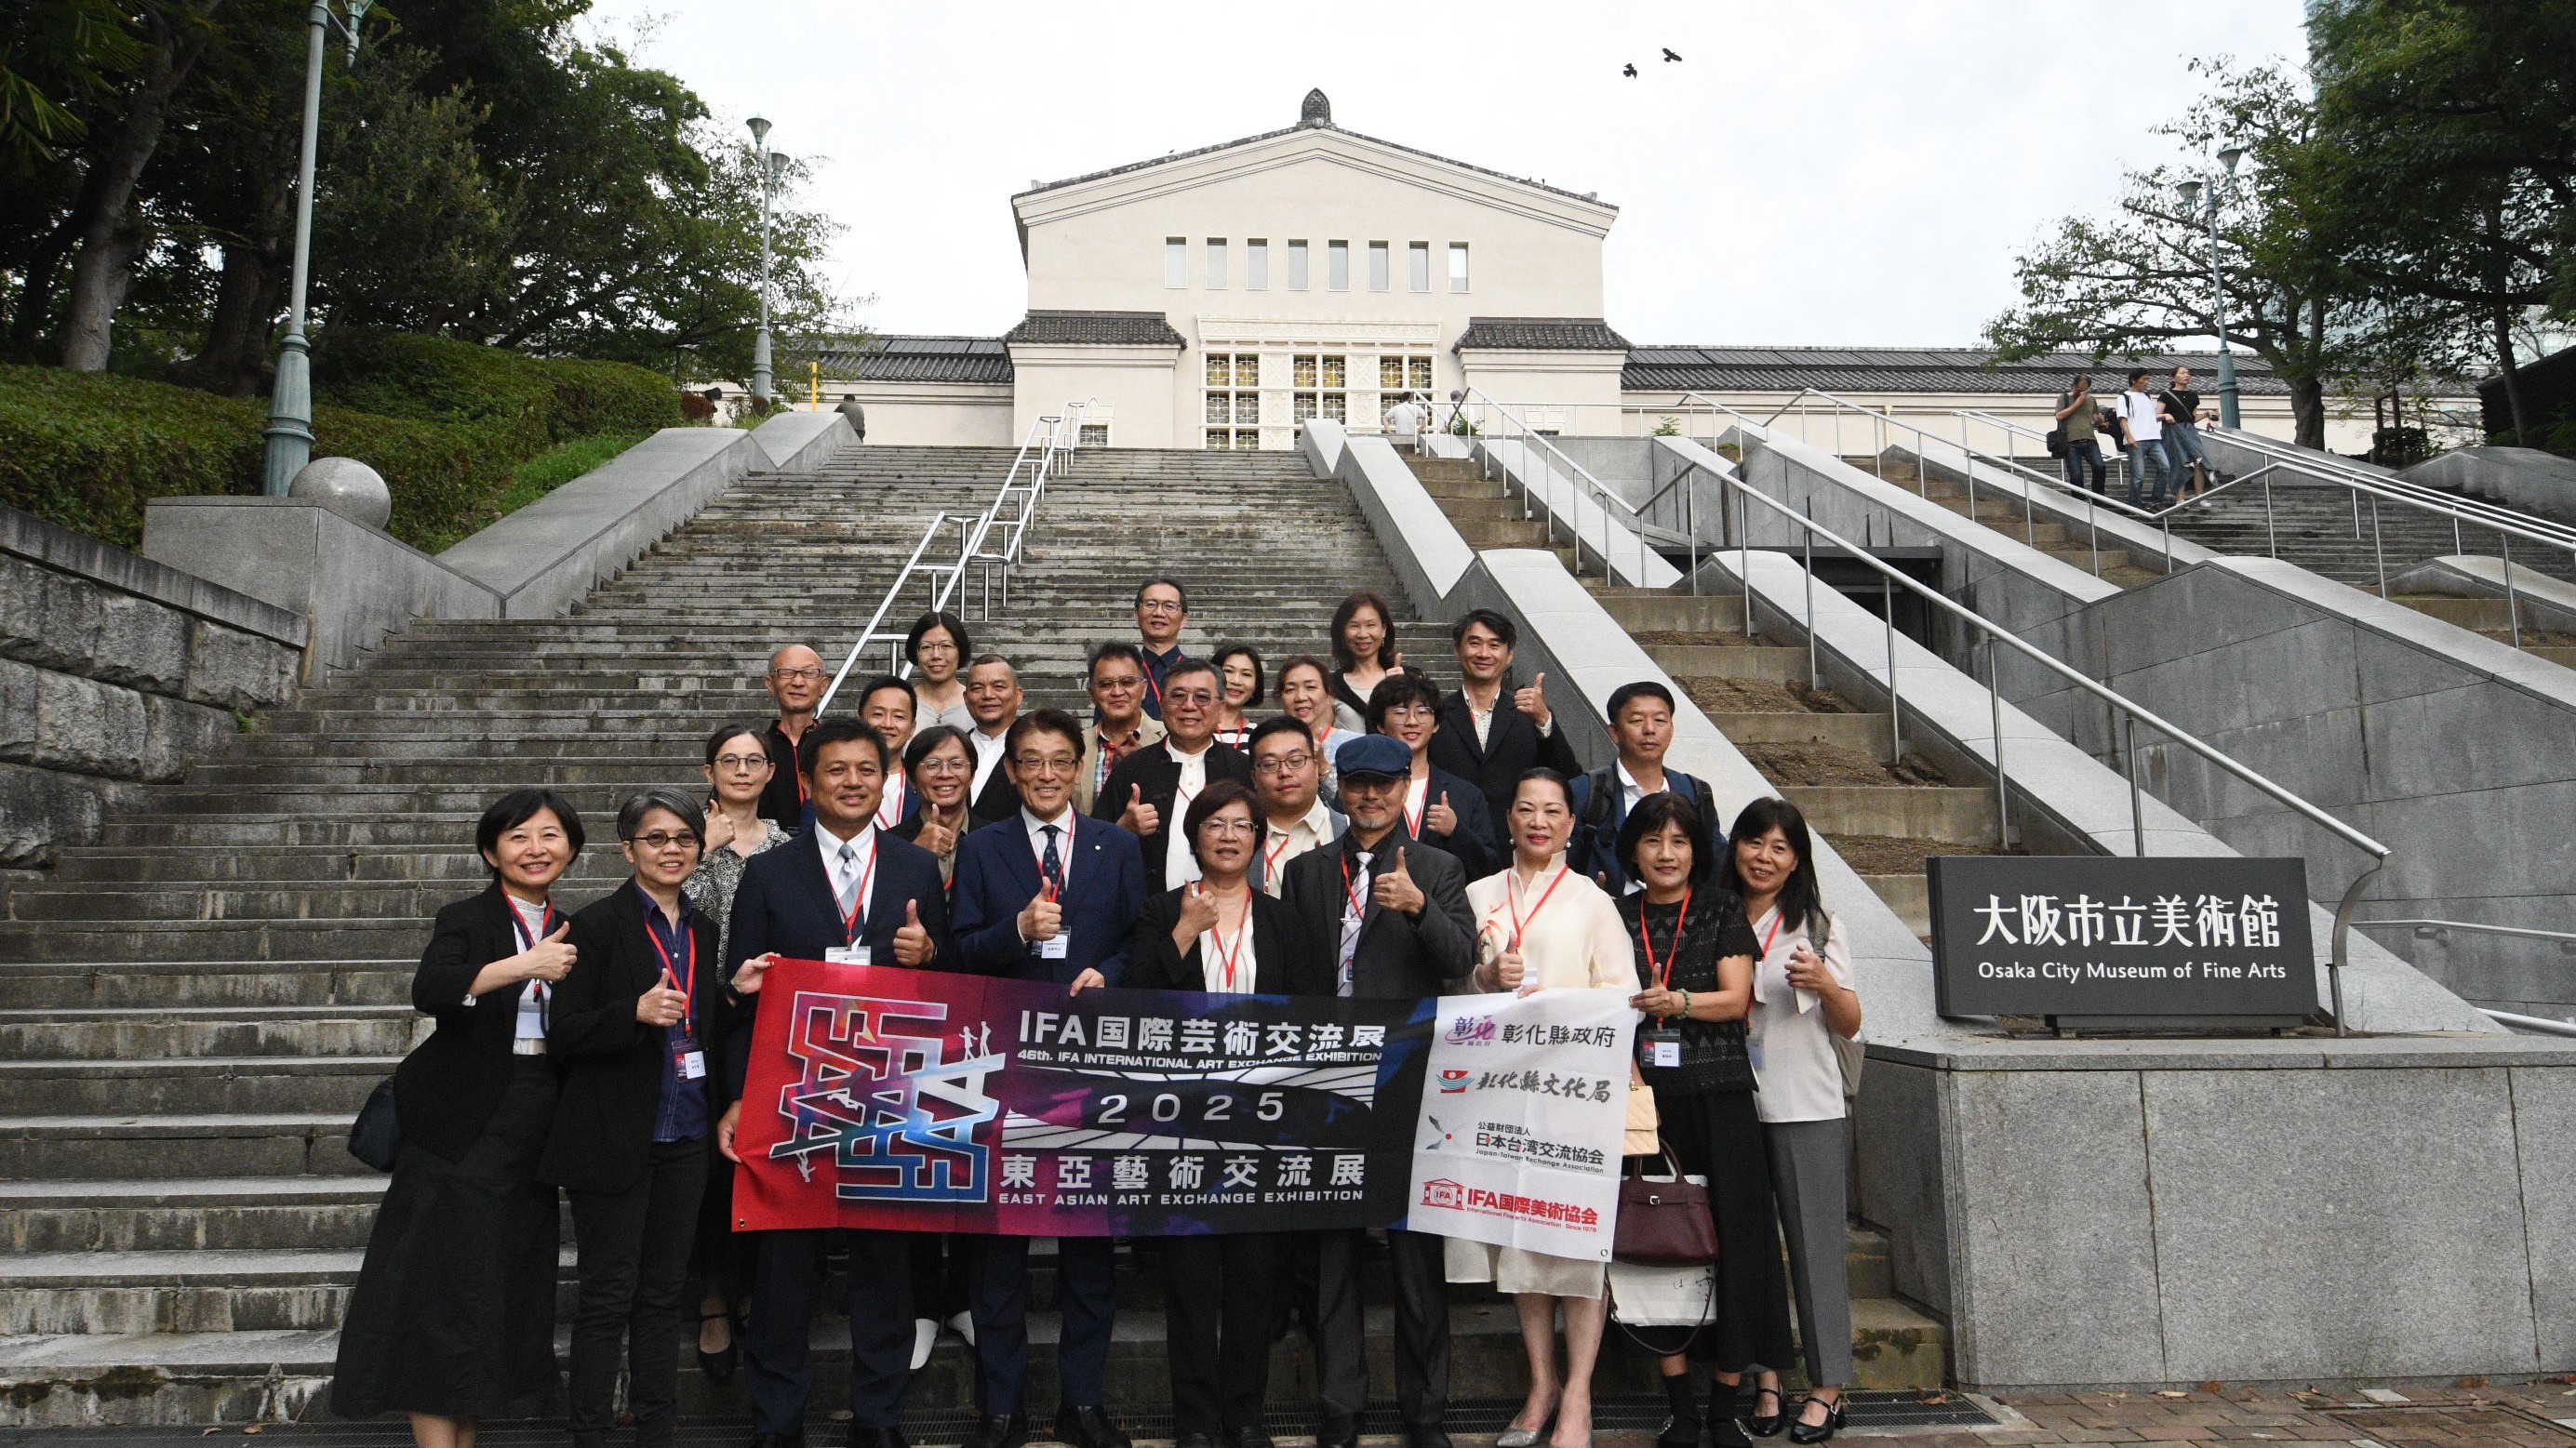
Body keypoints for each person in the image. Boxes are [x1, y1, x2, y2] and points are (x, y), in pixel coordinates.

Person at [716, 717, 954, 1448]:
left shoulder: (915, 867)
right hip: (792, 1094)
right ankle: (776, 1423)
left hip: (889, 1093)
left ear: (885, 780)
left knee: (884, 1267)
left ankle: (878, 1419)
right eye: (835, 770)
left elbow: (944, 989)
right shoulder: (768, 872)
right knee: (784, 1271)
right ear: (807, 781)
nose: (852, 782)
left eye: (865, 769)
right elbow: (741, 994)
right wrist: (739, 1093)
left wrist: (928, 954)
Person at [331, 790, 583, 1444]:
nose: (536, 849)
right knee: (438, 1291)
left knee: (491, 1292)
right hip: (461, 1125)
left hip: (535, 1123)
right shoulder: (467, 917)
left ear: (571, 848)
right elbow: (432, 988)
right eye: (519, 837)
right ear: (491, 852)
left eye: (550, 835)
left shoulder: (574, 926)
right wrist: (522, 965)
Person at [951, 708, 1149, 1448]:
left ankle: (1083, 1401)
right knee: (997, 1248)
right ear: (1009, 770)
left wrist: (1111, 974)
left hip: (1091, 1063)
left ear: (1078, 768)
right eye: (1030, 760)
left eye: (1059, 759)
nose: (1044, 773)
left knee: (1088, 1244)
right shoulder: (982, 847)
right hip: (1003, 1065)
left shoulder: (1115, 846)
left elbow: (1137, 936)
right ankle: (1000, 1405)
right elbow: (960, 950)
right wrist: (1015, 932)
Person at [1278, 734, 1475, 1448]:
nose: (1369, 796)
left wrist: (1419, 907)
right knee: (1333, 1250)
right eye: (1358, 783)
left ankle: (1424, 1411)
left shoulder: (1437, 867)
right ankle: (1340, 1405)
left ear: (1402, 788)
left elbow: (1462, 957)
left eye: (1383, 784)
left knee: (1414, 1253)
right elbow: (1290, 973)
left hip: (1408, 1081)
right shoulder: (1304, 870)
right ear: (1339, 785)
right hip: (1327, 1080)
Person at [1450, 770, 1633, 1448]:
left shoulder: (1592, 901)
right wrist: (1482, 978)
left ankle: (1578, 1393)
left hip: (1572, 1094)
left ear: (1569, 823)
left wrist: (1554, 1008)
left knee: (1577, 1246)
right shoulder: (1476, 895)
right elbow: (1451, 992)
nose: (1538, 821)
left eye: (1552, 811)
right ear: (1507, 818)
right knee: (1521, 1245)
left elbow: (1622, 995)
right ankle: (1540, 1384)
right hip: (1499, 1096)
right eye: (1525, 808)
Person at [1124, 781, 1301, 1448]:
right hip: (1182, 1123)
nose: (1228, 836)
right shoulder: (1161, 909)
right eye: (1215, 824)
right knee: (1191, 1281)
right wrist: (1184, 931)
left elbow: (1310, 1015)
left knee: (1255, 1278)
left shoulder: (1283, 919)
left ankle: (1246, 1415)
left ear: (1257, 839)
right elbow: (1135, 999)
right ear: (1194, 836)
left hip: (1262, 1122)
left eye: (1241, 825)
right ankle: (1195, 1420)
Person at [1614, 793, 1793, 1448]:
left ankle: (1723, 1405)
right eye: (1652, 841)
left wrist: (1678, 1001)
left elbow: (1736, 998)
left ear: (1696, 851)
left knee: (1738, 1242)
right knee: (1656, 1243)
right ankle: (1681, 1408)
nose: (1666, 854)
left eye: (1679, 842)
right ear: (1633, 851)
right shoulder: (1615, 915)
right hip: (1646, 1105)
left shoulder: (1719, 909)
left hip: (1720, 1097)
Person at [544, 790, 721, 1448]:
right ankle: (588, 1433)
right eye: (656, 838)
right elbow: (563, 1031)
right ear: (627, 849)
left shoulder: (703, 929)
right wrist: (632, 1013)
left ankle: (656, 1429)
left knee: (663, 1295)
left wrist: (734, 993)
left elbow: (700, 1020)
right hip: (615, 1136)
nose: (671, 849)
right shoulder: (594, 926)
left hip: (687, 1132)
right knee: (606, 1297)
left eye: (684, 838)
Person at [1715, 797, 1863, 1445]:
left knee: (1815, 1250)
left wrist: (1825, 983)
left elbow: (1850, 1022)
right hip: (1732, 1105)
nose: (1764, 857)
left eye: (1779, 847)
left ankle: (1827, 1387)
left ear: (1796, 859)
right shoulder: (1713, 914)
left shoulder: (1817, 925)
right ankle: (1766, 1379)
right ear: (1735, 847)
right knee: (1748, 1253)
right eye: (1754, 842)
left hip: (1806, 1105)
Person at [683, 724, 793, 1382]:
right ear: (709, 771)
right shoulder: (686, 837)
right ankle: (712, 1298)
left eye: (755, 760)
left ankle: (753, 1287)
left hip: (773, 1018)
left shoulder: (788, 843)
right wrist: (704, 850)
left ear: (772, 771)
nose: (743, 770)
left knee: (760, 1155)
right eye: (730, 760)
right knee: (707, 1164)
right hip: (701, 1015)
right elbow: (667, 913)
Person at [1431, 609, 1581, 857]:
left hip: (1516, 851)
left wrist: (1544, 720)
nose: (1484, 653)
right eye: (1474, 643)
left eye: (1494, 645)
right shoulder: (1436, 714)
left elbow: (1568, 775)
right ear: (1457, 650)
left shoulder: (1530, 714)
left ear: (1509, 655)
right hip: (1447, 850)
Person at [1098, 659, 1254, 892]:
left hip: (1229, 906)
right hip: (1148, 907)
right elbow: (1095, 847)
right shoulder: (1132, 768)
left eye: (1202, 697)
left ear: (1221, 709)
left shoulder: (1243, 769)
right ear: (1161, 706)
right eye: (1178, 696)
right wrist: (1124, 828)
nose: (1189, 706)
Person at [1568, 683, 1720, 896]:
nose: (1649, 729)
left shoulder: (1695, 792)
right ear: (1615, 731)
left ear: (1671, 729)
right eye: (1637, 721)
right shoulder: (1584, 792)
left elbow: (1715, 864)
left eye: (1660, 720)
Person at [1367, 671, 1497, 880]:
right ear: (1381, 725)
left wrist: (1456, 831)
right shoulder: (1362, 791)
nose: (1412, 721)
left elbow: (1489, 870)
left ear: (1436, 724)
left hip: (1446, 899)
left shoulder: (1466, 795)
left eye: (1423, 711)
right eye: (1400, 712)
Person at [1247, 715, 1345, 897]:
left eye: (1296, 761)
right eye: (1270, 764)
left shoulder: (1347, 828)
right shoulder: (1242, 836)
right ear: (1254, 777)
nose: (1284, 772)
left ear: (1316, 767)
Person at [1075, 642, 1167, 817]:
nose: (1117, 692)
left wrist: (1145, 766)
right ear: (1092, 694)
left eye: (1127, 682)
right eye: (1106, 684)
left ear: (1144, 689)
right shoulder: (1076, 745)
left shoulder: (1169, 738)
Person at [891, 724, 975, 885]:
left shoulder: (996, 840)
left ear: (972, 776)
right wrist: (914, 854)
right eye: (932, 765)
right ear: (911, 779)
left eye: (957, 764)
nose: (945, 774)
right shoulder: (888, 843)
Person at [757, 645, 827, 828]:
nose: (798, 682)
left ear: (823, 685)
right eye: (787, 673)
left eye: (808, 673)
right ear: (770, 683)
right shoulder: (755, 749)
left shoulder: (836, 745)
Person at [1275, 654, 1359, 798]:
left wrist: (1322, 764)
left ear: (1329, 695)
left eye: (1310, 687)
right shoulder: (1272, 745)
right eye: (1290, 689)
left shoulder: (1355, 745)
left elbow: (1355, 802)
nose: (1300, 697)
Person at [857, 674, 926, 831]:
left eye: (898, 716)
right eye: (878, 714)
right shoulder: (834, 779)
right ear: (859, 720)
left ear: (912, 728)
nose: (887, 724)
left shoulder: (925, 782)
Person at [964, 654, 1026, 827]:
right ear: (966, 698)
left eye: (998, 686)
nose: (988, 695)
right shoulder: (954, 748)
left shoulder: (1034, 750)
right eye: (977, 688)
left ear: (1018, 695)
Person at [1328, 591, 1402, 724]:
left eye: (1370, 625)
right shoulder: (1331, 686)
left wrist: (1405, 687)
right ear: (1342, 632)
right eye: (1354, 626)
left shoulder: (1407, 677)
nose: (1362, 634)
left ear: (1383, 630)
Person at [1134, 577, 1192, 722]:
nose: (1159, 613)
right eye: (1150, 604)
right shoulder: (1122, 673)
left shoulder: (1199, 674)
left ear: (1184, 619)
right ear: (1136, 614)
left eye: (1169, 606)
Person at [907, 611, 975, 730]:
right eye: (926, 647)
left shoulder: (976, 703)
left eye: (946, 646)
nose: (936, 655)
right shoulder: (903, 702)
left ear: (960, 650)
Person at [2116, 368, 2170, 509]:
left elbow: (2151, 417)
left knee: (2165, 467)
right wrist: (2130, 437)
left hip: (2154, 438)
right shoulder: (2124, 397)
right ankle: (2134, 504)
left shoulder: (2147, 396)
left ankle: (2156, 500)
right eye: (2144, 379)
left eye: (2148, 379)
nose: (2147, 382)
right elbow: (2122, 419)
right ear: (2134, 380)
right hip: (2136, 439)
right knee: (2138, 475)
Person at [2159, 365, 2209, 497]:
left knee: (2199, 461)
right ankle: (2180, 498)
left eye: (2188, 373)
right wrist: (2165, 415)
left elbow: (2193, 418)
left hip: (2189, 431)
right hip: (2173, 431)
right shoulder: (2166, 395)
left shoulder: (2193, 395)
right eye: (2182, 373)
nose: (2186, 375)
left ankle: (2200, 496)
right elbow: (2156, 415)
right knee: (2179, 462)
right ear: (2173, 377)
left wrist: (2206, 414)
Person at [2054, 374, 2106, 496]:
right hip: (2071, 442)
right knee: (2076, 475)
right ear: (2073, 386)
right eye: (2078, 390)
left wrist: (2099, 420)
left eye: (2085, 390)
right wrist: (2077, 403)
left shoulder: (2091, 400)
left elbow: (2094, 420)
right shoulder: (2064, 398)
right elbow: (2059, 416)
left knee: (2100, 467)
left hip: (2090, 439)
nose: (2081, 393)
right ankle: (2078, 501)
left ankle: (2098, 498)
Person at [1211, 644, 1264, 751]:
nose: (1236, 681)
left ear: (1255, 686)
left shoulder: (1260, 736)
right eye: (1228, 671)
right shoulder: (1196, 727)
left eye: (1246, 674)